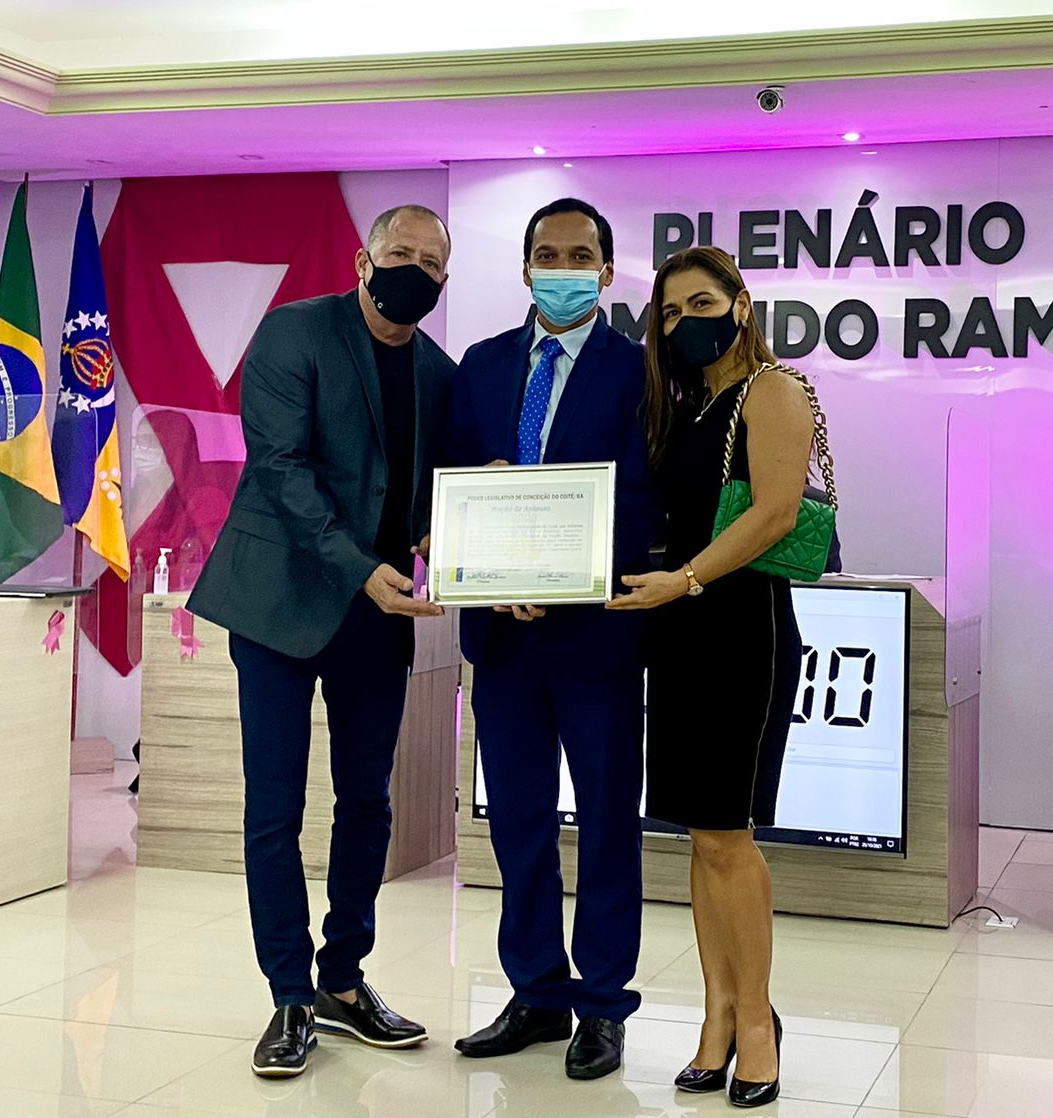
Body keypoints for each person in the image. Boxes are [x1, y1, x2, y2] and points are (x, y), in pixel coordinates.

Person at [186, 205, 455, 1079]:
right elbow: (280, 467)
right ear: (363, 259)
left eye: (430, 261)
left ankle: (342, 978)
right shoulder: (294, 332)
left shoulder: (439, 373)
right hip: (279, 602)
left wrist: (442, 537)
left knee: (367, 802)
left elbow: (428, 492)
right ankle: (289, 995)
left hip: (377, 613)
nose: (414, 269)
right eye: (399, 252)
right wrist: (360, 566)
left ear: (444, 280)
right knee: (275, 808)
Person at [608, 246, 833, 1109]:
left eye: (699, 304)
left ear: (741, 305)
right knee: (700, 838)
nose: (683, 323)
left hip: (744, 630)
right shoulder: (687, 404)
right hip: (678, 632)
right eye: (669, 313)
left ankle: (759, 1026)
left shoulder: (775, 390)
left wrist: (687, 578)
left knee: (730, 837)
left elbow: (775, 512)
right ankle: (718, 1014)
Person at [448, 198, 656, 1081]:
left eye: (579, 256)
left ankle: (602, 1003)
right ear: (526, 267)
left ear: (605, 273)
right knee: (518, 821)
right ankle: (535, 989)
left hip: (595, 635)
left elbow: (646, 500)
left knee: (607, 821)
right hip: (502, 637)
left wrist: (561, 574)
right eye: (546, 254)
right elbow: (451, 480)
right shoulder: (482, 364)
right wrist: (494, 567)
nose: (561, 269)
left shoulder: (640, 371)